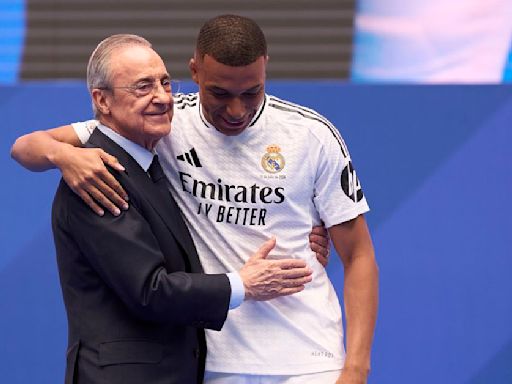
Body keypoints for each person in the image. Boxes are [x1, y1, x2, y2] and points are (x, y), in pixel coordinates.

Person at [11, 15, 378, 384]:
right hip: (213, 362)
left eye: (252, 92)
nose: (236, 110)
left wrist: (357, 369)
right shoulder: (164, 120)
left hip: (310, 360)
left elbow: (359, 255)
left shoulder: (312, 135)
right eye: (220, 93)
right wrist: (66, 156)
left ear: (265, 69)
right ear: (196, 71)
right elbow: (26, 146)